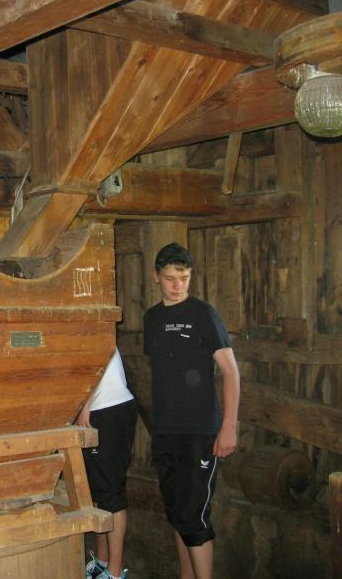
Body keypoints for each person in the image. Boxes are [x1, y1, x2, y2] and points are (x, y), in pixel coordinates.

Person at [143, 243, 240, 579]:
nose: (177, 285)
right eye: (170, 278)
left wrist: (229, 425)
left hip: (200, 430)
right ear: (156, 277)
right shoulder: (152, 318)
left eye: (183, 278)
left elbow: (230, 371)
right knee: (176, 512)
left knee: (194, 516)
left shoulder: (203, 314)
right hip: (166, 430)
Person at [76, 347, 137, 579]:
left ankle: (115, 572)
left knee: (111, 493)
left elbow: (98, 356)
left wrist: (85, 406)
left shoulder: (89, 325)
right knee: (98, 491)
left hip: (109, 408)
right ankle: (102, 562)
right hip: (98, 408)